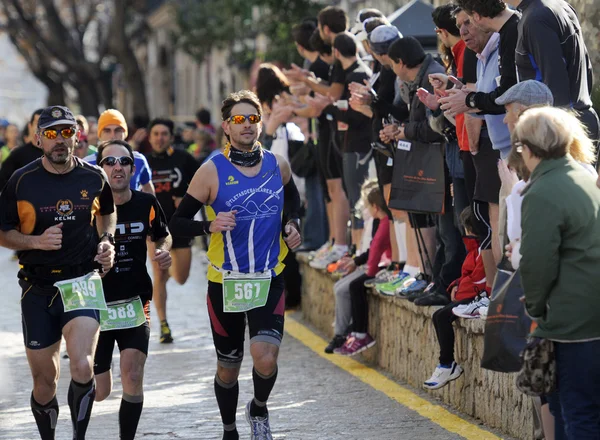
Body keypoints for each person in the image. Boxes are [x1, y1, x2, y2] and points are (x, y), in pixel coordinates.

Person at [169, 90, 302, 440]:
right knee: (228, 368)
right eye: (239, 120)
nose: (247, 125)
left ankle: (258, 408)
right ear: (226, 126)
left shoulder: (278, 165)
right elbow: (176, 223)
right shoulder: (211, 171)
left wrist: (292, 226)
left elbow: (295, 205)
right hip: (226, 281)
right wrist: (207, 225)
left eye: (253, 119)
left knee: (266, 359)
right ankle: (229, 429)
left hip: (269, 276)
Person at [0, 105, 116, 439]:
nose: (60, 140)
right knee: (44, 381)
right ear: (38, 139)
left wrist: (106, 239)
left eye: (66, 132)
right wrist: (34, 241)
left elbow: (107, 213)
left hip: (82, 280)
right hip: (37, 286)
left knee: (82, 365)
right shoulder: (21, 181)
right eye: (51, 133)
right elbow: (3, 231)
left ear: (77, 136)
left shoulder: (94, 177)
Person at [513, 106, 600, 440]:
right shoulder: (582, 176)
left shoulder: (543, 191)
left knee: (577, 415)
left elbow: (536, 263)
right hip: (589, 311)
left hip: (573, 322)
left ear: (528, 148)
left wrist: (535, 308)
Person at [94, 139, 172, 440]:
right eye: (109, 162)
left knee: (133, 374)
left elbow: (163, 236)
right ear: (100, 169)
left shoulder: (147, 203)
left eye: (124, 162)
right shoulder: (89, 211)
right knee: (100, 391)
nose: (117, 167)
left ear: (132, 168)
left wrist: (163, 250)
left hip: (136, 300)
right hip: (98, 305)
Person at [506, 0, 600, 143]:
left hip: (563, 128)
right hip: (577, 118)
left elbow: (556, 81)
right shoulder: (554, 5)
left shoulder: (535, 18)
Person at [145, 117, 199, 343]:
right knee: (159, 273)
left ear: (171, 137)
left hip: (181, 224)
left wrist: (187, 199)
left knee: (181, 277)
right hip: (155, 227)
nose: (160, 138)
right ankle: (164, 324)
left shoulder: (184, 159)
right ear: (150, 137)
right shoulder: (142, 162)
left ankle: (164, 279)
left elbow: (203, 183)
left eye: (164, 134)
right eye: (156, 134)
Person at [423, 205, 486, 390]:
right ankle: (446, 363)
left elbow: (480, 280)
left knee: (441, 316)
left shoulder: (483, 251)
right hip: (466, 295)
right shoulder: (474, 250)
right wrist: (455, 285)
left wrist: (459, 292)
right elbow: (466, 275)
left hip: (475, 297)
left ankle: (446, 364)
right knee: (438, 316)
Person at [331, 182, 391, 355]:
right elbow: (372, 249)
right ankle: (351, 332)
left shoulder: (384, 223)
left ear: (374, 206)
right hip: (374, 265)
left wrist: (368, 273)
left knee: (356, 286)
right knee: (349, 286)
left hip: (380, 267)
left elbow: (376, 249)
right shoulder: (381, 222)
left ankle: (360, 333)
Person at [84, 109, 155, 195]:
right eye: (107, 131)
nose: (113, 136)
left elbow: (148, 190)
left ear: (125, 134)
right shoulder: (87, 164)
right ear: (99, 135)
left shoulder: (138, 160)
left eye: (118, 130)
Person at [0, 109, 44, 191]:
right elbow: (3, 183)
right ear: (30, 126)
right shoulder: (17, 155)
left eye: (46, 124)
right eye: (37, 123)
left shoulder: (56, 155)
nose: (41, 127)